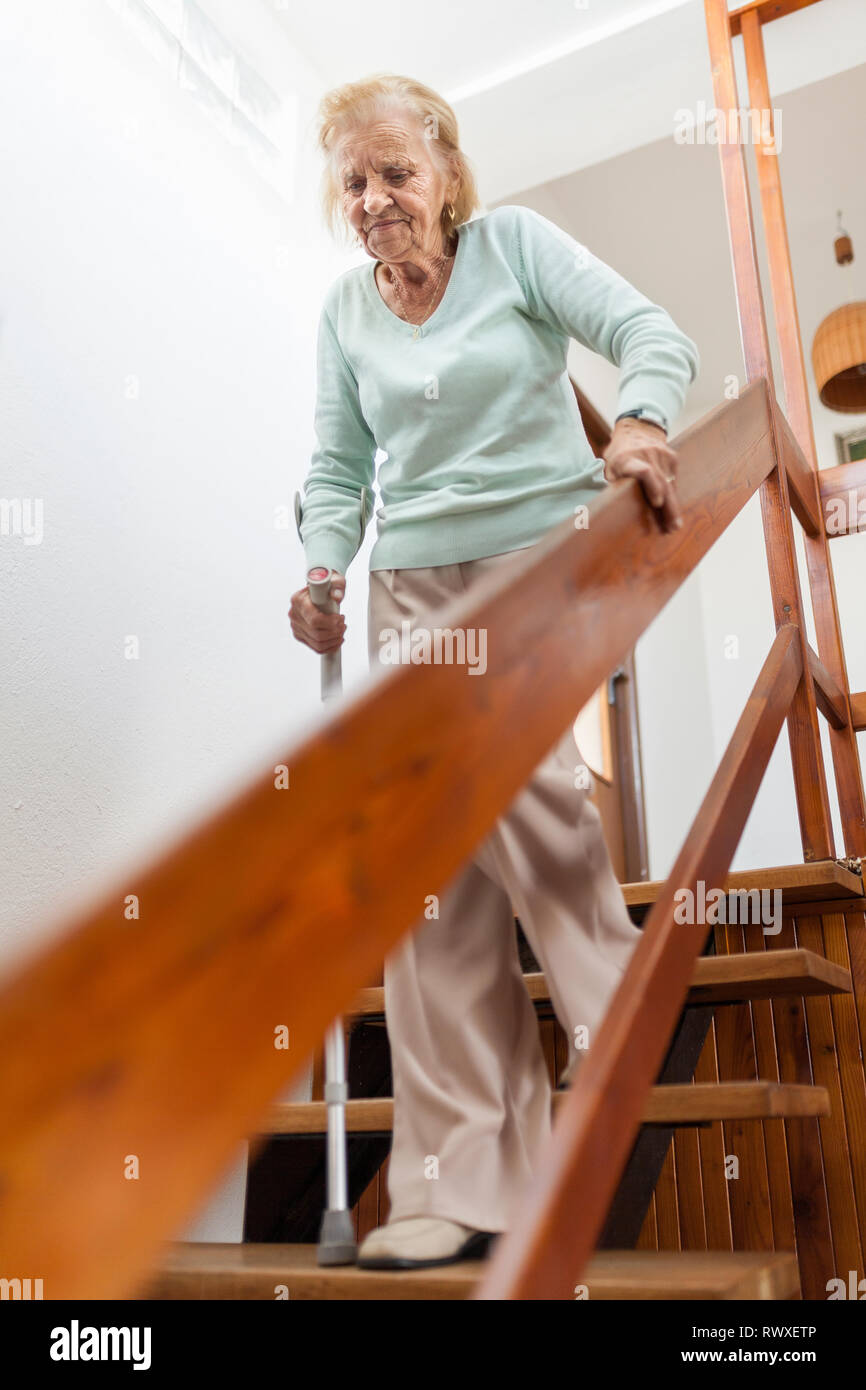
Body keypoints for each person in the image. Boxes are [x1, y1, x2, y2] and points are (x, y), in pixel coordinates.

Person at [289, 74, 699, 1270]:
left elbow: (649, 336)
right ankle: (459, 1180)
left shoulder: (514, 248)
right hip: (410, 586)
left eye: (395, 173)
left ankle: (620, 1008)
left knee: (509, 779)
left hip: (540, 564)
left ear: (447, 177)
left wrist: (638, 421)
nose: (373, 200)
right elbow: (335, 467)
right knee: (429, 865)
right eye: (353, 181)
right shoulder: (342, 312)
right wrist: (322, 567)